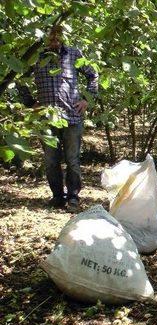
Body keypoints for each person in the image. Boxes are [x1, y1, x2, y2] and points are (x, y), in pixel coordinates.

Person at [19, 25, 98, 211]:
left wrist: (87, 99)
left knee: (72, 159)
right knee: (51, 160)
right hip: (46, 119)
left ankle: (73, 197)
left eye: (57, 38)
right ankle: (57, 196)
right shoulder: (37, 57)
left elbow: (92, 74)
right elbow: (20, 79)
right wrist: (30, 103)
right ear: (44, 39)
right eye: (51, 39)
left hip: (72, 116)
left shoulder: (73, 54)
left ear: (63, 38)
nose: (54, 42)